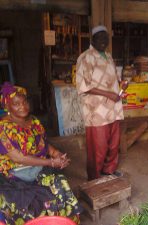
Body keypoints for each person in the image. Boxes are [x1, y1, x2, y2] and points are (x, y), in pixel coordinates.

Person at [0, 82, 82, 225]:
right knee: (26, 201)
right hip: (15, 173)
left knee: (60, 183)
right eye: (16, 104)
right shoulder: (3, 128)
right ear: (7, 106)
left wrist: (56, 153)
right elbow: (19, 157)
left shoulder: (34, 122)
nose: (23, 106)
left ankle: (64, 221)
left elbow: (43, 144)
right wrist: (50, 162)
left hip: (37, 168)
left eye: (24, 101)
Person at [76, 25, 128, 181]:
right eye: (100, 37)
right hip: (96, 110)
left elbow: (110, 79)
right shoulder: (85, 58)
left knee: (113, 144)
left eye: (106, 38)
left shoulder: (108, 56)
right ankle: (94, 177)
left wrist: (121, 83)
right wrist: (108, 94)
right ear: (92, 39)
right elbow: (83, 86)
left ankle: (108, 171)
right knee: (98, 146)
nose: (103, 41)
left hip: (113, 109)